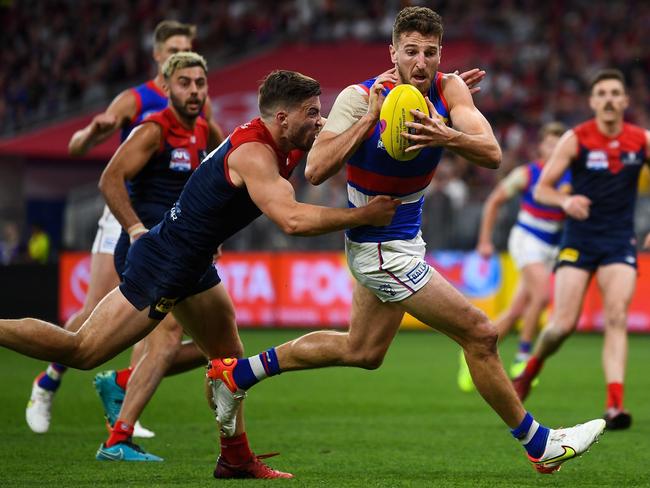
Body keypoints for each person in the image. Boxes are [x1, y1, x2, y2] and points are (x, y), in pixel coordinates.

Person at [208, 6, 606, 475]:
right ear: (392, 52)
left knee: (363, 351)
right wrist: (370, 119)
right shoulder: (359, 98)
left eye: (430, 52)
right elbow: (314, 170)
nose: (420, 62)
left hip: (404, 241)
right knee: (481, 333)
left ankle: (238, 374)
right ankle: (540, 445)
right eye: (411, 51)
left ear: (440, 55)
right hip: (378, 248)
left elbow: (493, 153)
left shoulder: (449, 89)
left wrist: (445, 134)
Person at [0, 69, 400, 478]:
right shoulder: (255, 154)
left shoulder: (286, 137)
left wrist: (389, 90)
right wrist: (364, 214)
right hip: (165, 263)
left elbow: (332, 143)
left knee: (229, 361)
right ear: (282, 118)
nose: (320, 120)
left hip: (195, 263)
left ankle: (235, 459)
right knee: (80, 350)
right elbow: (292, 220)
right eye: (312, 113)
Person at [26, 20, 220, 439]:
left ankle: (122, 396)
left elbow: (215, 158)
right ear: (157, 55)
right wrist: (91, 132)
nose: (178, 56)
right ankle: (48, 384)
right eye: (172, 50)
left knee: (156, 324)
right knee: (95, 313)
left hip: (173, 226)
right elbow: (81, 146)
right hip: (125, 213)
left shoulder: (197, 106)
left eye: (185, 49)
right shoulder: (136, 100)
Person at [91, 51, 213, 460]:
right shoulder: (153, 130)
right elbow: (109, 179)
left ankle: (123, 381)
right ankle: (118, 438)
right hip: (153, 252)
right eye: (184, 83)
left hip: (183, 253)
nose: (193, 91)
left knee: (222, 349)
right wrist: (135, 228)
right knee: (164, 338)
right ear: (165, 87)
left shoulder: (203, 132)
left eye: (199, 83)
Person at [513, 68, 650, 430]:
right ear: (592, 102)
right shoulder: (577, 139)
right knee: (562, 326)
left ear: (624, 100)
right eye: (601, 93)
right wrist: (565, 201)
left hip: (619, 240)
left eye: (614, 92)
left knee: (617, 317)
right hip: (578, 240)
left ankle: (615, 405)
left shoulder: (641, 140)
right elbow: (542, 189)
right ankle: (529, 372)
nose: (608, 99)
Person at [457, 122, 569, 392]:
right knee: (542, 297)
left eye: (559, 143)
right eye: (550, 143)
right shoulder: (527, 174)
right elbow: (495, 200)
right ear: (541, 146)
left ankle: (471, 351)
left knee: (517, 311)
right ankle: (523, 357)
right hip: (527, 238)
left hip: (552, 247)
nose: (554, 149)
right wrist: (484, 240)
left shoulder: (572, 176)